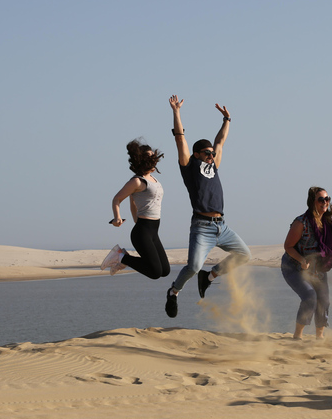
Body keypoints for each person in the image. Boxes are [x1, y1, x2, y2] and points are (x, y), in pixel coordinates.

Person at [164, 95, 251, 318]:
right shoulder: (189, 166)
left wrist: (227, 119)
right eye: (207, 153)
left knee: (244, 254)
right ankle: (174, 292)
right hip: (201, 227)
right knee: (192, 267)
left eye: (212, 154)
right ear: (197, 154)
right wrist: (176, 112)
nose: (212, 156)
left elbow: (220, 142)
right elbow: (180, 139)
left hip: (222, 226)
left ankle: (209, 277)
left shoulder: (215, 165)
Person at [100, 139, 171, 280]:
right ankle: (120, 257)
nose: (154, 159)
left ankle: (123, 258)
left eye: (154, 156)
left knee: (165, 270)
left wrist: (135, 220)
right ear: (142, 160)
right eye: (150, 157)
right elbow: (117, 199)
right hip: (142, 232)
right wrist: (117, 217)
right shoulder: (137, 181)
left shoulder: (153, 179)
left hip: (153, 231)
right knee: (155, 272)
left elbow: (133, 204)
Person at [282, 187, 332, 340]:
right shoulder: (301, 222)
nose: (325, 202)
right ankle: (297, 337)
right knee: (310, 296)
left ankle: (320, 337)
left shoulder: (327, 222)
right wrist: (302, 260)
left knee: (323, 299)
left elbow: (324, 251)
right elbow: (288, 247)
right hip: (294, 267)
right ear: (312, 202)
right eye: (321, 199)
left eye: (327, 199)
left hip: (317, 267)